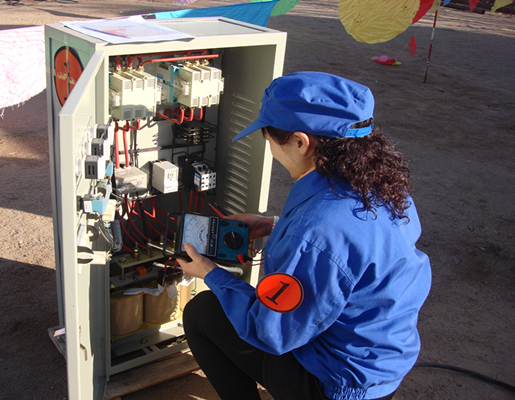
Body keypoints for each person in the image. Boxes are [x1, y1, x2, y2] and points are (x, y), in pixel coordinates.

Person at [177, 72, 432, 400]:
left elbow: (271, 333)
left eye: (270, 140)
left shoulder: (315, 233)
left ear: (300, 142)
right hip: (380, 365)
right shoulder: (381, 189)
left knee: (202, 312)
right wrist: (273, 224)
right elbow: (351, 245)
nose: (271, 149)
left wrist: (211, 274)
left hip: (334, 387)